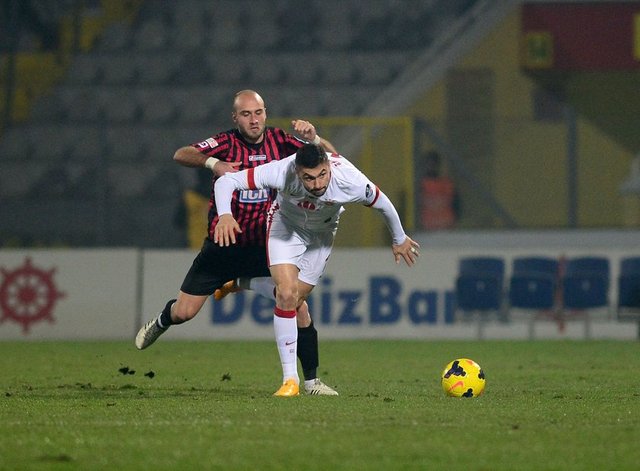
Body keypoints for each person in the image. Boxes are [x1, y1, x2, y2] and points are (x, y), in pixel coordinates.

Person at [135, 90, 339, 396]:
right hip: (224, 245)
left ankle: (311, 382)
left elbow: (331, 159)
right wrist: (213, 164)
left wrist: (315, 138)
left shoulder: (281, 141)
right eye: (246, 114)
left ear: (265, 113)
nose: (253, 120)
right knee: (184, 312)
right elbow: (181, 154)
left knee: (297, 304)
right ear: (235, 118)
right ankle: (164, 320)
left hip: (266, 243)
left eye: (258, 113)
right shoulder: (225, 142)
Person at [214, 144, 420, 396]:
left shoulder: (349, 179)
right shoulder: (282, 171)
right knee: (286, 293)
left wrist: (399, 238)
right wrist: (225, 215)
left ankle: (241, 282)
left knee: (296, 299)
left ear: (328, 166)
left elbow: (382, 203)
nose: (317, 184)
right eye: (308, 178)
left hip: (322, 234)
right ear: (297, 172)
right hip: (285, 227)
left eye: (322, 174)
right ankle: (290, 380)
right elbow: (226, 182)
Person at [418, 150, 460, 230]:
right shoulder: (420, 185)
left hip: (446, 226)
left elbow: (456, 204)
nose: (431, 166)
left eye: (433, 163)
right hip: (426, 228)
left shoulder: (447, 184)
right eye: (428, 164)